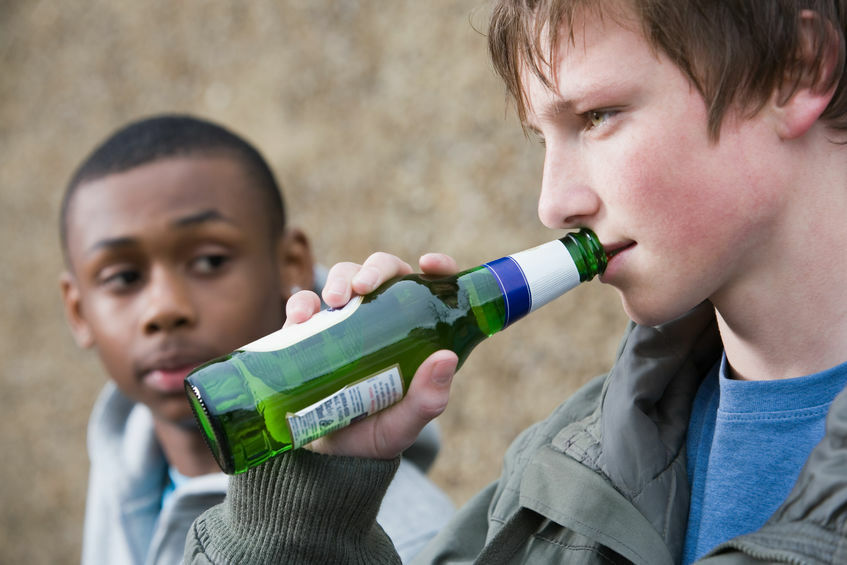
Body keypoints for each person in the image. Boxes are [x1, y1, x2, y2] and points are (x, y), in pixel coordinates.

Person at [184, 1, 847, 563]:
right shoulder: (564, 473)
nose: (552, 204)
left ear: (795, 70)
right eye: (541, 138)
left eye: (596, 116)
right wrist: (308, 506)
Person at [58, 114, 454, 565]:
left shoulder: (412, 541)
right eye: (123, 277)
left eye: (209, 261)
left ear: (291, 265)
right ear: (77, 310)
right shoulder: (122, 459)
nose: (164, 309)